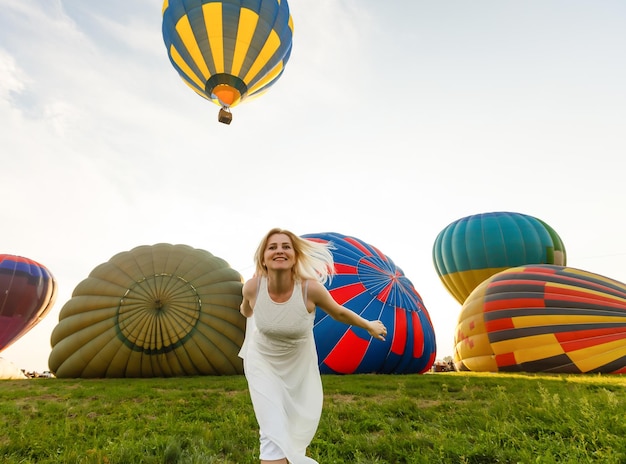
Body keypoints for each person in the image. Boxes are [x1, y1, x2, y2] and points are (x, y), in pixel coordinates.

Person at [239, 228, 387, 464]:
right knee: (271, 430)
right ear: (263, 258)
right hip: (262, 362)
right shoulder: (252, 287)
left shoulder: (310, 289)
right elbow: (246, 309)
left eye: (286, 246)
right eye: (272, 247)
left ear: (295, 255)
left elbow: (339, 312)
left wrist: (368, 325)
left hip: (298, 366)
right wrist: (247, 309)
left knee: (294, 425)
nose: (279, 251)